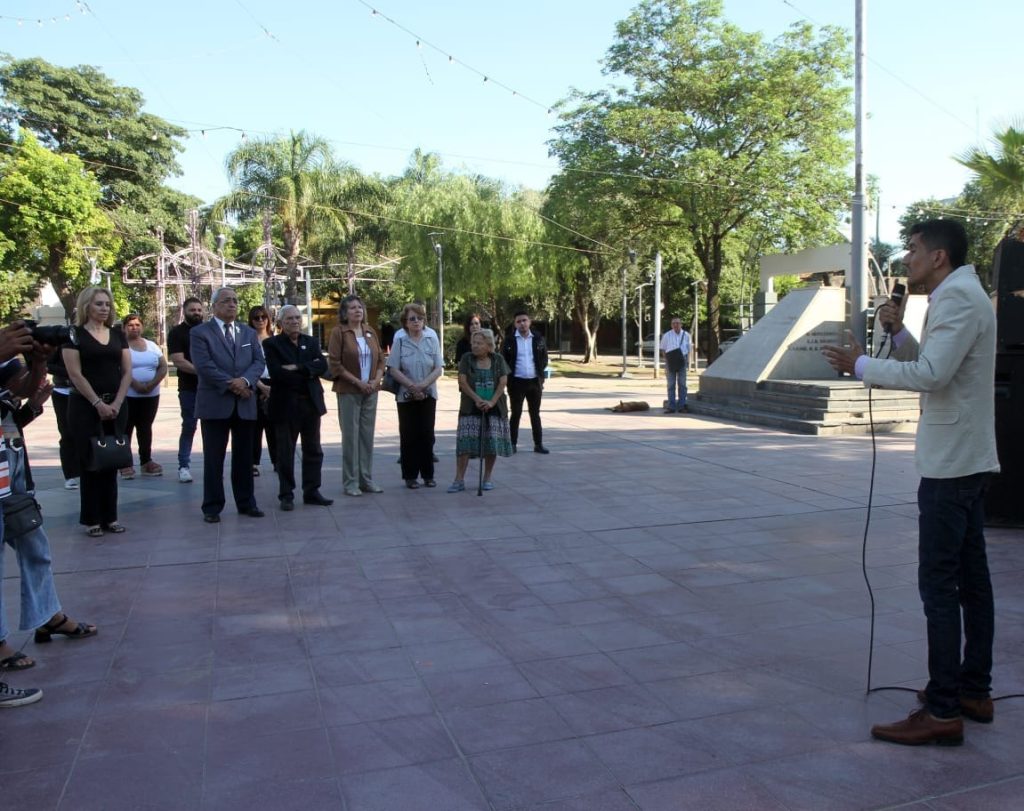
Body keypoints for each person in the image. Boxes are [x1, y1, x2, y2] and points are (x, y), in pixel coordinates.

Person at [823, 219, 999, 747]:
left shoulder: (959, 298)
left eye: (914, 250)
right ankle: (972, 689)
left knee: (940, 587)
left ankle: (944, 709)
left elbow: (930, 377)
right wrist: (897, 334)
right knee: (972, 582)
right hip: (964, 458)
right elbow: (933, 362)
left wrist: (861, 365)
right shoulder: (961, 293)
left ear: (939, 256)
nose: (907, 259)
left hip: (952, 465)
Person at [1, 351, 97, 681]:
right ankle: (0, 644)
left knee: (36, 550)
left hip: (12, 480)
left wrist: (37, 382)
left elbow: (10, 420)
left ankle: (47, 615)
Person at [190, 287, 266, 522]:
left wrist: (245, 381)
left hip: (244, 403)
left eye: (235, 300)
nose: (232, 304)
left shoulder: (248, 333)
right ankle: (212, 507)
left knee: (244, 458)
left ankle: (246, 503)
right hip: (215, 403)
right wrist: (232, 384)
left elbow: (258, 361)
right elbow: (204, 365)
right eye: (226, 301)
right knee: (214, 458)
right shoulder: (200, 333)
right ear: (214, 306)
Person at [63, 287, 132, 537]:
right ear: (86, 307)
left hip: (116, 406)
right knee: (90, 462)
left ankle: (110, 518)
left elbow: (126, 372)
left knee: (111, 460)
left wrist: (117, 403)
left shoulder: (117, 335)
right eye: (99, 304)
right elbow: (75, 374)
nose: (104, 308)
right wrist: (97, 403)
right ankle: (91, 519)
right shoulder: (74, 335)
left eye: (107, 304)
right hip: (85, 407)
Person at [0, 322, 44, 707]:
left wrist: (40, 361)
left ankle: (47, 615)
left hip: (7, 474)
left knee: (35, 545)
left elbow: (24, 392)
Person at [263, 305, 332, 510]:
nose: (294, 321)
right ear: (281, 323)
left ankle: (312, 491)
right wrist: (307, 372)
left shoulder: (310, 342)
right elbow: (277, 373)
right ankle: (286, 494)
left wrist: (299, 368)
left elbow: (322, 366)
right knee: (286, 451)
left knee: (313, 449)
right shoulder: (272, 344)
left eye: (297, 318)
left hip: (310, 403)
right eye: (289, 318)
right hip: (285, 405)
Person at [328, 294, 385, 497]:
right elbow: (335, 363)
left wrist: (376, 380)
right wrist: (357, 382)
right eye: (352, 308)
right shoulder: (339, 332)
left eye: (359, 307)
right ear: (344, 313)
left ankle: (366, 479)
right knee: (351, 438)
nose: (357, 311)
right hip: (349, 390)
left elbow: (380, 359)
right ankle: (351, 482)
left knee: (366, 437)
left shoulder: (370, 332)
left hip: (371, 391)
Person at [448, 329, 513, 492]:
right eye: (473, 342)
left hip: (495, 406)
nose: (475, 346)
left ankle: (487, 478)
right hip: (471, 406)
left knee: (492, 443)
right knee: (465, 442)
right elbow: (462, 382)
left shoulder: (498, 359)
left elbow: (503, 382)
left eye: (479, 343)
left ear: (488, 345)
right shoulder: (466, 358)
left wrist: (491, 402)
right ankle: (459, 479)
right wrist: (478, 400)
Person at [387, 303, 444, 488]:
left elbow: (438, 367)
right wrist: (412, 386)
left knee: (427, 434)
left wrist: (422, 386)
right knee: (408, 435)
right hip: (406, 395)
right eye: (412, 319)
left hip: (428, 393)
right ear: (405, 322)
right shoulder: (400, 341)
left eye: (420, 318)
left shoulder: (431, 338)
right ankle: (410, 476)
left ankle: (428, 475)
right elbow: (393, 368)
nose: (417, 322)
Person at [122, 313, 167, 479]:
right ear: (124, 328)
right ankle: (125, 463)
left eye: (137, 324)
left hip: (151, 395)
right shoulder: (122, 346)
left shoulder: (152, 345)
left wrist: (151, 384)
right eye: (130, 325)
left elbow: (163, 366)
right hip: (128, 395)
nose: (134, 328)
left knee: (145, 428)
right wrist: (136, 384)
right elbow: (121, 368)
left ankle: (146, 461)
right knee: (126, 429)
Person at [501, 310, 549, 454]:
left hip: (534, 382)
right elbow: (504, 360)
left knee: (535, 413)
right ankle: (513, 444)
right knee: (516, 413)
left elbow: (544, 357)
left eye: (524, 320)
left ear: (530, 322)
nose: (522, 324)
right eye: (518, 321)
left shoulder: (538, 339)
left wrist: (540, 374)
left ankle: (538, 444)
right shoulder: (509, 341)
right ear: (515, 324)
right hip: (516, 382)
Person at [167, 297, 204, 483]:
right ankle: (184, 465)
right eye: (192, 310)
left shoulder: (210, 330)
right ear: (185, 311)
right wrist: (205, 372)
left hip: (210, 388)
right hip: (189, 388)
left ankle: (214, 464)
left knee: (213, 427)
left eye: (199, 309)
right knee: (189, 425)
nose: (196, 313)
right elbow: (178, 361)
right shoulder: (177, 333)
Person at [248, 305, 277, 478]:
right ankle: (253, 462)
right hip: (254, 385)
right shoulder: (247, 340)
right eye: (256, 318)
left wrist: (271, 387)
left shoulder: (275, 340)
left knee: (274, 425)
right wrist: (260, 386)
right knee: (255, 426)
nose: (260, 320)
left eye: (263, 317)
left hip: (273, 385)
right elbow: (246, 365)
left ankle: (277, 461)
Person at [47, 346, 80, 490]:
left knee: (87, 432)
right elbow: (49, 365)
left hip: (85, 392)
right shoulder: (62, 343)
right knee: (67, 434)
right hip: (63, 392)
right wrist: (70, 373)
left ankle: (87, 469)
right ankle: (70, 474)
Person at [660, 317, 692, 413]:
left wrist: (689, 362)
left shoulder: (686, 335)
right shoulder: (667, 335)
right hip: (671, 361)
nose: (676, 325)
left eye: (677, 323)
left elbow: (690, 349)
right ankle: (671, 406)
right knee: (671, 384)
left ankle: (682, 406)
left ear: (681, 324)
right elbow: (663, 349)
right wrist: (667, 362)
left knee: (682, 384)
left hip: (682, 360)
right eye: (674, 323)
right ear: (671, 325)